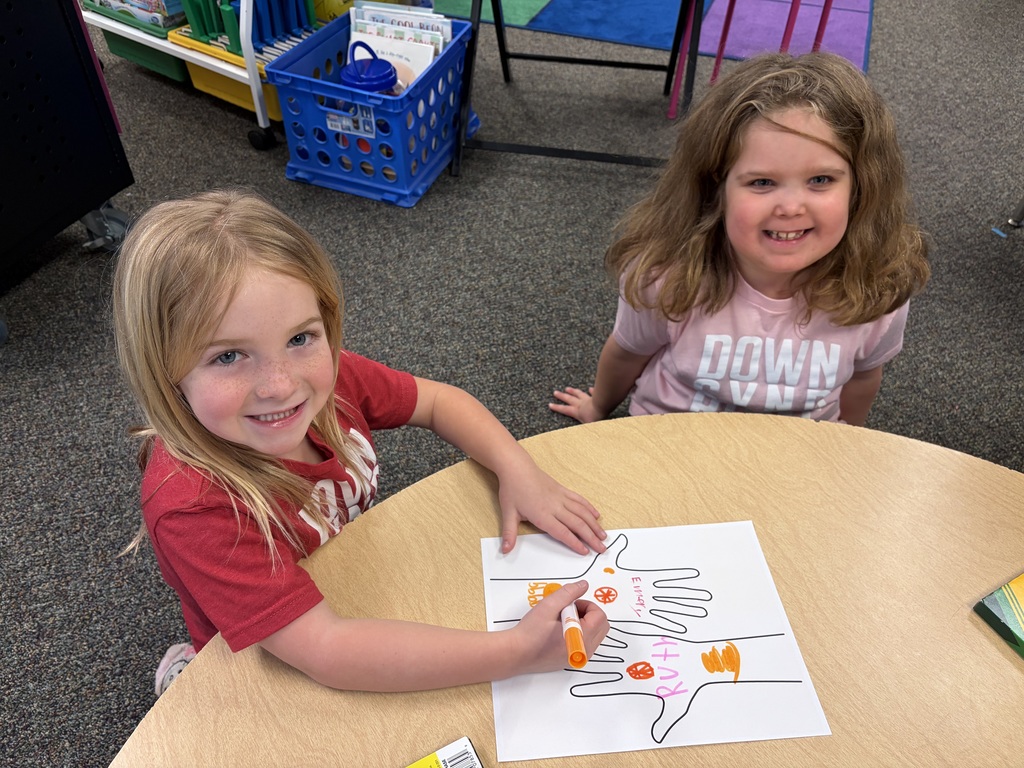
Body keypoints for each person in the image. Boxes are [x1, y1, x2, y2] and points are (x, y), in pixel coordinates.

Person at [112, 189, 609, 697]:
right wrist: (517, 653)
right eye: (228, 357)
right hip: (273, 642)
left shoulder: (332, 383)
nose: (281, 385)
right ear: (163, 369)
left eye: (300, 338)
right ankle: (188, 667)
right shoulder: (194, 506)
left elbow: (439, 403)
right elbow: (326, 648)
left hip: (354, 582)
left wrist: (518, 469)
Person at [550, 51, 930, 426]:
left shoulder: (877, 286)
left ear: (861, 188)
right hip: (670, 442)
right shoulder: (666, 274)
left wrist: (851, 439)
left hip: (797, 455)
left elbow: (864, 376)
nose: (790, 208)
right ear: (717, 189)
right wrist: (598, 407)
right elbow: (628, 352)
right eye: (762, 182)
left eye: (820, 180)